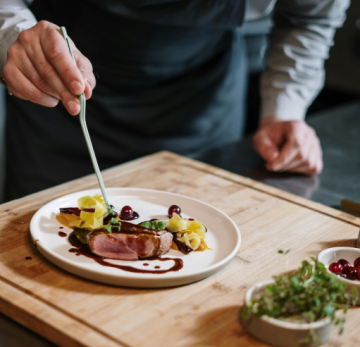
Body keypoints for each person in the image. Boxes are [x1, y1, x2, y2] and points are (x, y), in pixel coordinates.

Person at [0, 0, 350, 201]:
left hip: (203, 98)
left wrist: (284, 109)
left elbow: (309, 17)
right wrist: (12, 32)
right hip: (58, 91)